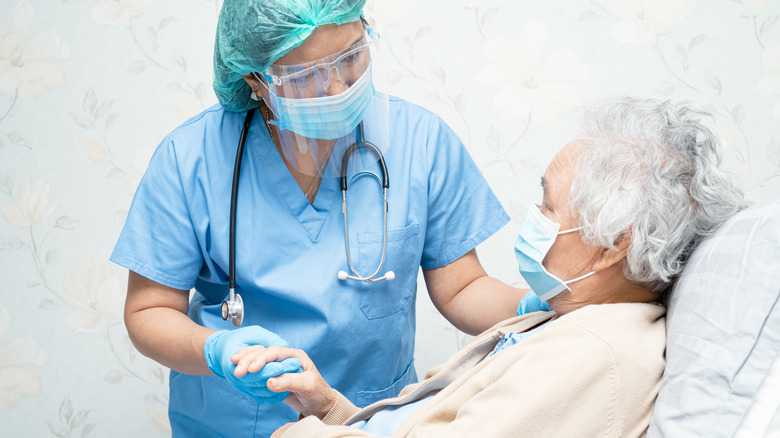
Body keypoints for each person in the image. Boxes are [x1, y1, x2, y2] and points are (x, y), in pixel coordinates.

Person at [110, 1, 524, 436]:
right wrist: (215, 350)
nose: (336, 87)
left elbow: (462, 286)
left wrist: (537, 307)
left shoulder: (420, 140)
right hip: (234, 424)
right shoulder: (190, 157)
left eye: (350, 57)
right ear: (256, 78)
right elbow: (149, 309)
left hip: (368, 421)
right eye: (306, 75)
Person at [232, 97, 747, 437]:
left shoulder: (593, 356)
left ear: (614, 244)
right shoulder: (574, 319)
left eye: (547, 205)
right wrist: (328, 408)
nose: (534, 218)